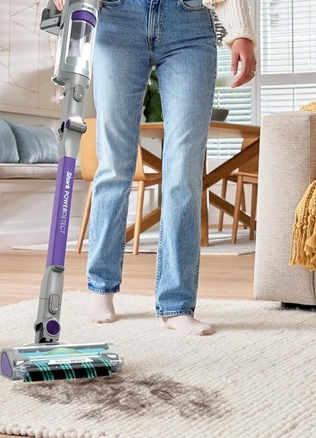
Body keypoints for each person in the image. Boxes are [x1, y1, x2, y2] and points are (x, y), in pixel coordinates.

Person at [55, 0, 257, 335]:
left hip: (189, 22)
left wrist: (240, 33)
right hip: (118, 18)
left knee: (184, 176)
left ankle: (177, 305)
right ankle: (101, 288)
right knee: (115, 166)